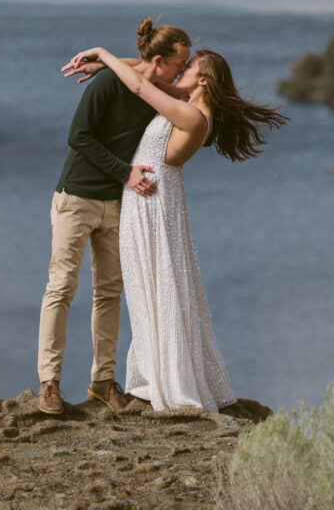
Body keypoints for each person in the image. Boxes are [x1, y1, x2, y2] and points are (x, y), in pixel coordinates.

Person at [64, 32, 288, 413]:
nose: (180, 70)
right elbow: (149, 71)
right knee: (146, 288)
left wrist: (101, 50)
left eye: (189, 68)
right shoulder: (186, 101)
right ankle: (160, 373)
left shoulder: (191, 114)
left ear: (203, 80)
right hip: (147, 200)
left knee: (157, 286)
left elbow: (138, 84)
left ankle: (171, 381)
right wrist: (106, 66)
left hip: (152, 204)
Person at [36, 19, 191, 415]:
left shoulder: (155, 89)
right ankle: (49, 384)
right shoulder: (108, 85)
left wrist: (107, 59)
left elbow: (145, 75)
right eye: (179, 64)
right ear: (159, 60)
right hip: (77, 197)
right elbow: (79, 137)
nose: (183, 71)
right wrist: (126, 172)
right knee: (62, 289)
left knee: (109, 292)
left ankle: (103, 382)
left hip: (119, 204)